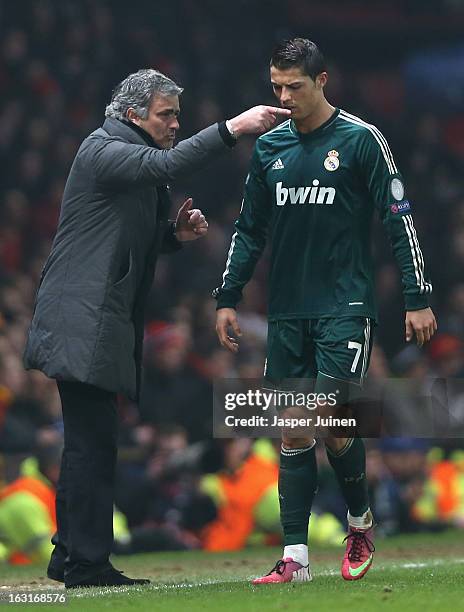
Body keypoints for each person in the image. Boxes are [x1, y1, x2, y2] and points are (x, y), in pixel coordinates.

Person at [23, 68, 289, 589]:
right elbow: (166, 162)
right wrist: (233, 128)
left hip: (92, 318)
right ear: (132, 115)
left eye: (176, 115)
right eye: (166, 114)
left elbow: (122, 232)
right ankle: (85, 561)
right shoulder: (103, 148)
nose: (174, 124)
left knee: (90, 442)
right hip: (83, 318)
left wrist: (170, 234)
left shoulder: (123, 160)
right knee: (91, 444)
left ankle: (71, 553)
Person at [214, 39, 437, 583]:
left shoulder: (362, 141)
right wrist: (227, 295)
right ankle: (298, 559)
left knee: (312, 416)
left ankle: (356, 523)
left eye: (294, 86)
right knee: (307, 431)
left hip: (345, 305)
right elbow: (250, 229)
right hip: (288, 311)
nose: (284, 97)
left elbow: (398, 216)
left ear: (322, 82)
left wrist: (417, 295)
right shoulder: (270, 148)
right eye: (276, 87)